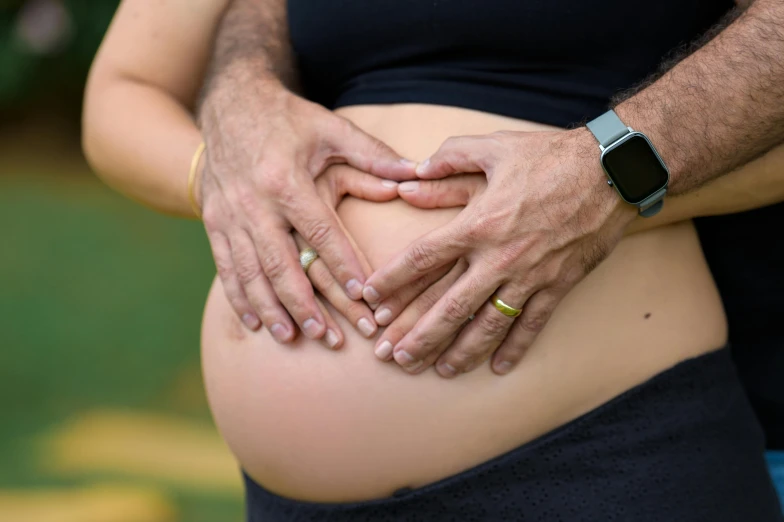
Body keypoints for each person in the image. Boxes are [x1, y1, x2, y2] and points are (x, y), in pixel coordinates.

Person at [83, 0, 784, 520]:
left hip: (604, 456)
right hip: (290, 499)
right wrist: (224, 175)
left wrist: (609, 190)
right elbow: (126, 90)